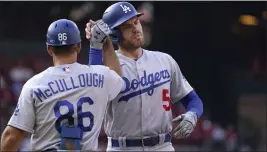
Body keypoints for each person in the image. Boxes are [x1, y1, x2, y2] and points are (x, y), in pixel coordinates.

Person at [86, 1, 204, 151]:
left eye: (136, 22)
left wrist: (192, 115)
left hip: (163, 146)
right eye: (128, 26)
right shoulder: (107, 65)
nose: (136, 29)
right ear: (115, 35)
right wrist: (95, 46)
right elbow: (93, 91)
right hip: (122, 147)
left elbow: (193, 100)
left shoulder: (165, 60)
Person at [1, 19, 124, 151]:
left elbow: (12, 136)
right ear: (78, 47)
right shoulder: (101, 76)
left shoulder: (34, 85)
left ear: (49, 49)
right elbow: (117, 76)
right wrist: (105, 44)